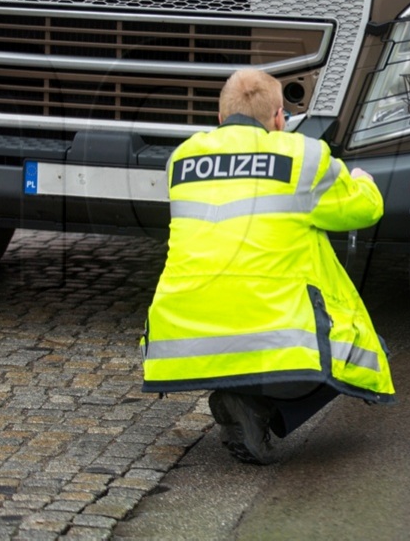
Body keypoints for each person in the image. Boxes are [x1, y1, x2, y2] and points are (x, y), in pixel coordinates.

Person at [142, 68, 395, 465]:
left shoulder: (183, 158)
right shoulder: (303, 156)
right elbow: (364, 210)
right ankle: (265, 411)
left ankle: (243, 397)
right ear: (280, 118)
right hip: (271, 334)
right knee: (370, 351)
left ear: (220, 117)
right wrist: (362, 181)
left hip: (183, 339)